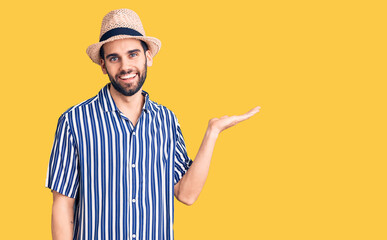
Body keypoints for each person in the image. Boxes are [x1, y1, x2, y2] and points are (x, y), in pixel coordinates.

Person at [45, 8, 260, 240]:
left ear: (148, 57)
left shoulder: (166, 120)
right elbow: (62, 204)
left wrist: (212, 133)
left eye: (133, 54)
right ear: (103, 65)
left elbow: (186, 194)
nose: (125, 67)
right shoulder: (75, 121)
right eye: (114, 58)